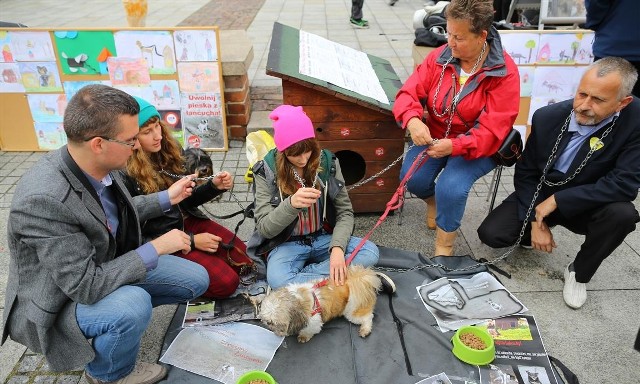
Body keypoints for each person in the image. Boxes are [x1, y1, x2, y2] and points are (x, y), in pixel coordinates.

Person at [1, 84, 209, 384]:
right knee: (133, 304)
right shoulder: (44, 200)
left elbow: (113, 213)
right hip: (62, 299)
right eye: (130, 140)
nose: (137, 146)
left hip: (102, 267)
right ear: (98, 143)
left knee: (196, 280)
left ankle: (119, 321)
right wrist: (155, 247)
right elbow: (86, 285)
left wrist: (167, 198)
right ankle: (107, 371)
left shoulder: (97, 164)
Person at [477, 57, 640, 309]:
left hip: (590, 198)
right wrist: (535, 219)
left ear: (623, 102)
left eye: (597, 100)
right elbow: (527, 173)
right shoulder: (547, 117)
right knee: (492, 234)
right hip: (544, 189)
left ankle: (579, 273)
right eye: (582, 94)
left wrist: (558, 201)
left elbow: (624, 184)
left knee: (623, 214)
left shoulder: (636, 121)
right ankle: (532, 234)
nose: (584, 106)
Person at [392, 0, 519, 256]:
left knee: (451, 185)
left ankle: (444, 245)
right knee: (412, 177)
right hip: (436, 134)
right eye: (448, 33)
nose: (450, 42)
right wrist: (412, 119)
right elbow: (408, 93)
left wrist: (457, 145)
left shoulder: (503, 72)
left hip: (478, 145)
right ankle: (433, 202)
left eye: (458, 37)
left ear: (482, 36)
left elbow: (493, 129)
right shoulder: (439, 57)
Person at [123, 97, 254, 299]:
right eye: (147, 132)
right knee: (227, 283)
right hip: (163, 240)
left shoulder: (166, 150)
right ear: (131, 137)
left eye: (157, 126)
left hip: (188, 221)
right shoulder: (125, 172)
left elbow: (185, 201)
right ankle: (181, 283)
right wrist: (192, 242)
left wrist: (213, 187)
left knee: (246, 259)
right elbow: (133, 236)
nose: (157, 135)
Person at [250, 105, 380, 288]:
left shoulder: (328, 163)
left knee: (370, 252)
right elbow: (265, 229)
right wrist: (291, 205)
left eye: (307, 151)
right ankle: (342, 279)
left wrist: (337, 249)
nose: (303, 159)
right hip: (286, 243)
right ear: (283, 150)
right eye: (295, 154)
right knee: (278, 280)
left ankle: (308, 282)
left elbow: (345, 212)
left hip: (322, 236)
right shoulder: (265, 171)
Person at [585, 0, 640, 97]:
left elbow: (596, 4)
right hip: (617, 41)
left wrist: (594, 23)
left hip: (615, 42)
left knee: (605, 103)